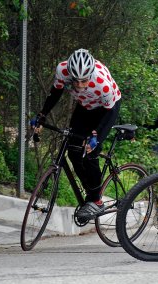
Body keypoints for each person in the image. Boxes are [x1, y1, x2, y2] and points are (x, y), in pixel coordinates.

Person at [32, 48, 122, 221]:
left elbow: (110, 113)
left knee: (90, 153)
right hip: (85, 107)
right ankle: (90, 190)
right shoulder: (62, 70)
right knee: (73, 151)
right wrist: (42, 115)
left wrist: (96, 137)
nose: (80, 85)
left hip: (106, 109)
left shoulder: (102, 83)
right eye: (76, 81)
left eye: (84, 81)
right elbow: (55, 93)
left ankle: (96, 200)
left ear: (91, 74)